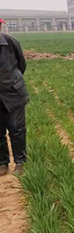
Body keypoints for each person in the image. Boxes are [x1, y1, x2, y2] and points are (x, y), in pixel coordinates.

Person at [0, 31, 28, 176]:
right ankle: (2, 163)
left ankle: (20, 162)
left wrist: (13, 81)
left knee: (16, 128)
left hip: (13, 92)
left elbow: (21, 64)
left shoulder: (10, 42)